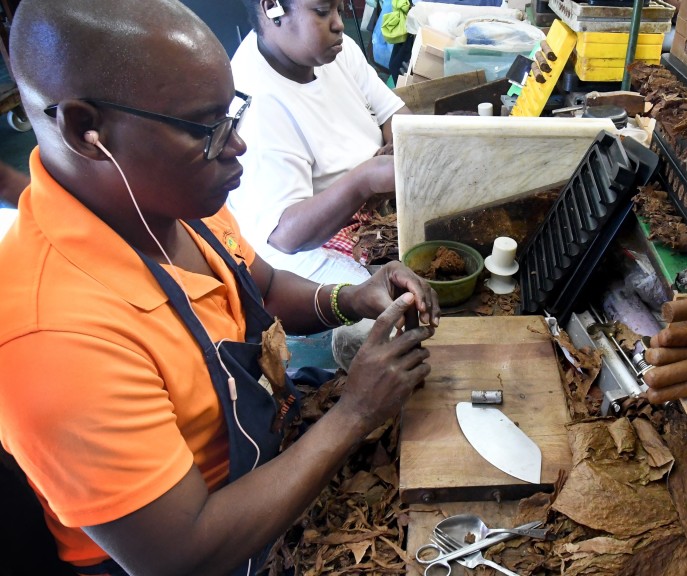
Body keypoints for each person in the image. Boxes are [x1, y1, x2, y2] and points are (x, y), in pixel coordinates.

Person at [0, 1, 439, 575]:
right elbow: (183, 556)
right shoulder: (54, 338)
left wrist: (353, 299)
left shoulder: (165, 199)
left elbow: (266, 289)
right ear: (88, 130)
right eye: (206, 129)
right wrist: (353, 413)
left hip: (268, 454)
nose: (237, 146)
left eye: (231, 116)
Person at [228, 0, 412, 286]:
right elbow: (286, 236)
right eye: (323, 12)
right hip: (305, 247)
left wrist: (398, 146)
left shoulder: (336, 50)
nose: (339, 23)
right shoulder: (258, 105)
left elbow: (396, 116)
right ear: (272, 8)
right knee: (389, 300)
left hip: (370, 205)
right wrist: (365, 180)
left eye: (339, 9)